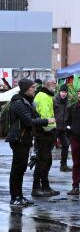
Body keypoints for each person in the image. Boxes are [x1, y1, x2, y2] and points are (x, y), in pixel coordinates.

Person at [5, 78, 55, 206]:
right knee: (17, 170)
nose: (35, 89)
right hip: (19, 139)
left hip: (25, 139)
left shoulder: (27, 102)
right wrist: (47, 121)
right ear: (26, 89)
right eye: (33, 87)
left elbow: (35, 116)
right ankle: (15, 197)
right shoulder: (18, 103)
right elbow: (29, 121)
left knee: (21, 169)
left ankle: (20, 196)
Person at [31, 78, 60, 198]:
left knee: (46, 161)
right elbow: (45, 116)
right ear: (48, 83)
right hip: (44, 134)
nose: (56, 85)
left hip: (45, 133)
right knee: (43, 162)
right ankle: (37, 188)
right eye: (54, 82)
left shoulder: (44, 95)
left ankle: (45, 186)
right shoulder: (43, 96)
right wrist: (52, 129)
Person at [55, 83, 71, 172]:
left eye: (65, 92)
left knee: (66, 145)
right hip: (55, 128)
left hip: (63, 128)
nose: (63, 94)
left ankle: (63, 165)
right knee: (48, 147)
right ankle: (43, 165)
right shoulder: (55, 100)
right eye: (62, 92)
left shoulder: (67, 102)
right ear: (59, 92)